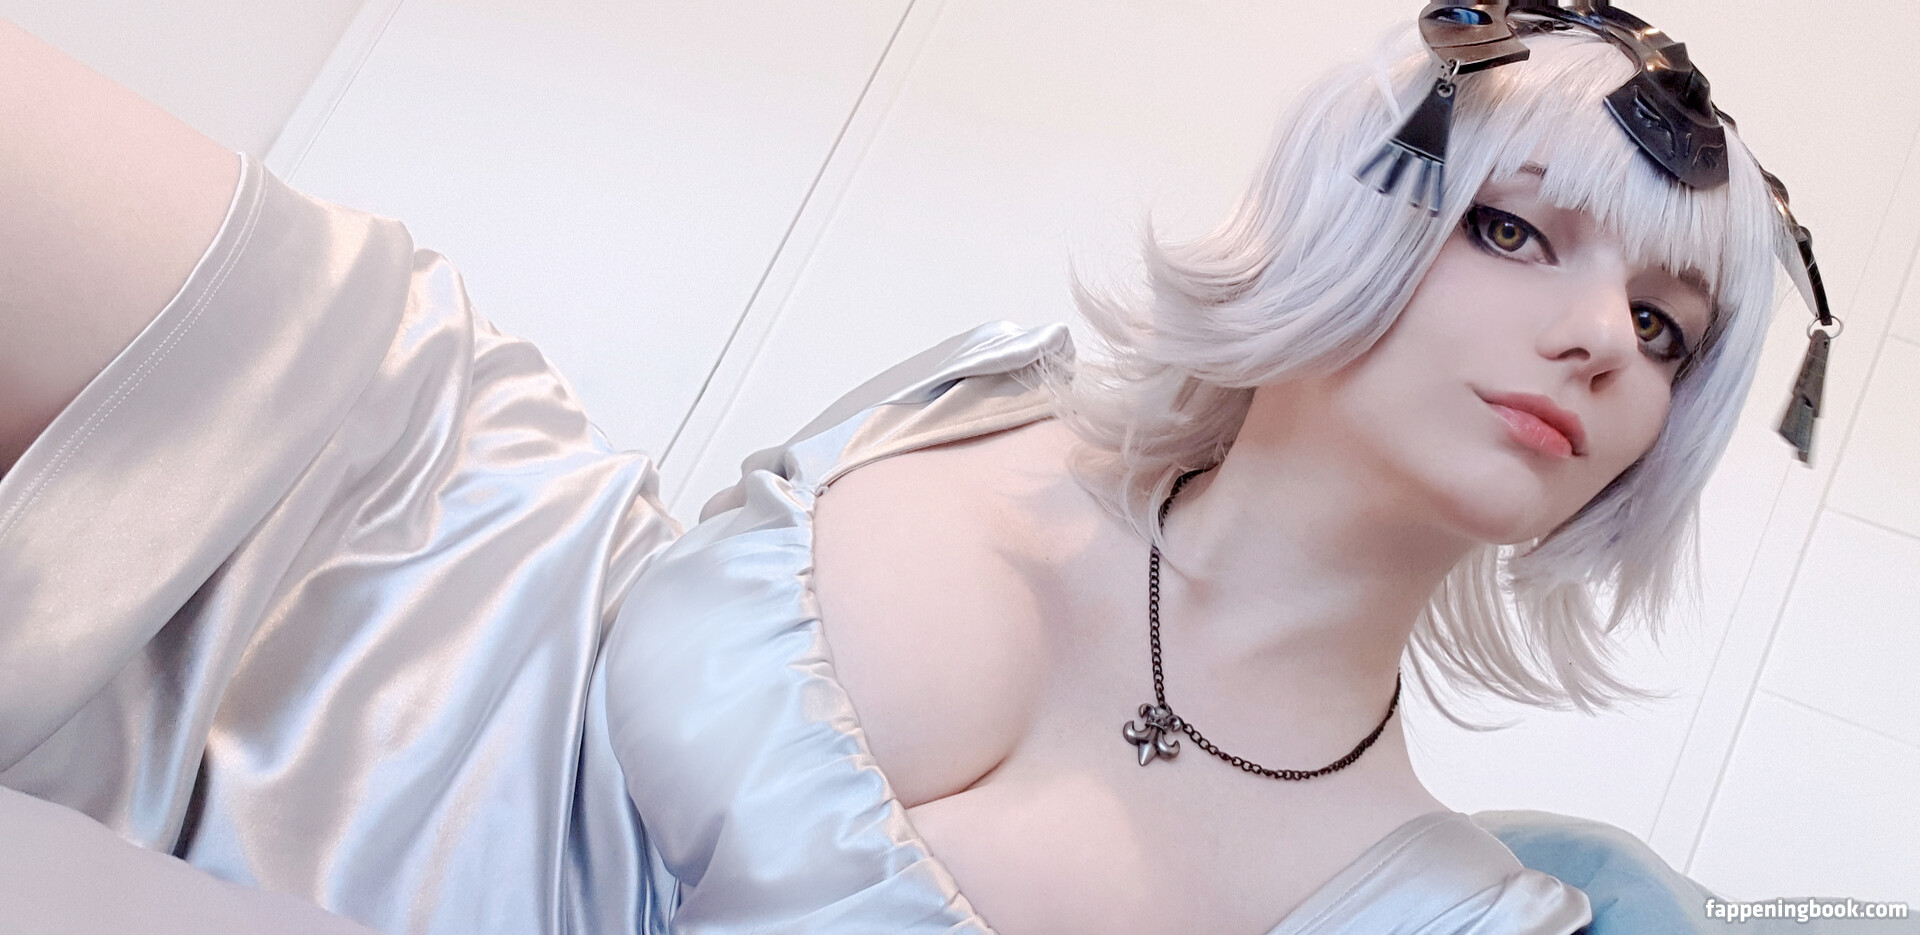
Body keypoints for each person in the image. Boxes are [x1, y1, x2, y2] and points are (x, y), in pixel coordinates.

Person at [0, 3, 1822, 934]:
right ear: (1363, 215)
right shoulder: (1008, 397)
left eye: (1667, 330)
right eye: (1516, 231)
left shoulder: (1436, 903)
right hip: (426, 554)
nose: (1601, 338)